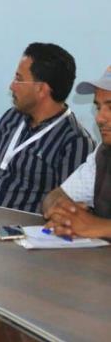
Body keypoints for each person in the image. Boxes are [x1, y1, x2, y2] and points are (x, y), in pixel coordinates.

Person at [0, 42, 94, 213]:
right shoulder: (12, 118)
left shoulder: (75, 141)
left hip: (24, 233)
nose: (11, 86)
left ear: (42, 89)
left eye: (19, 79)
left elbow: (66, 209)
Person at [41, 67, 111, 238]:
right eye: (98, 107)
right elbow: (56, 196)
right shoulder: (103, 155)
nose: (99, 118)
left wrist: (98, 227)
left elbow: (95, 227)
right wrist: (63, 214)